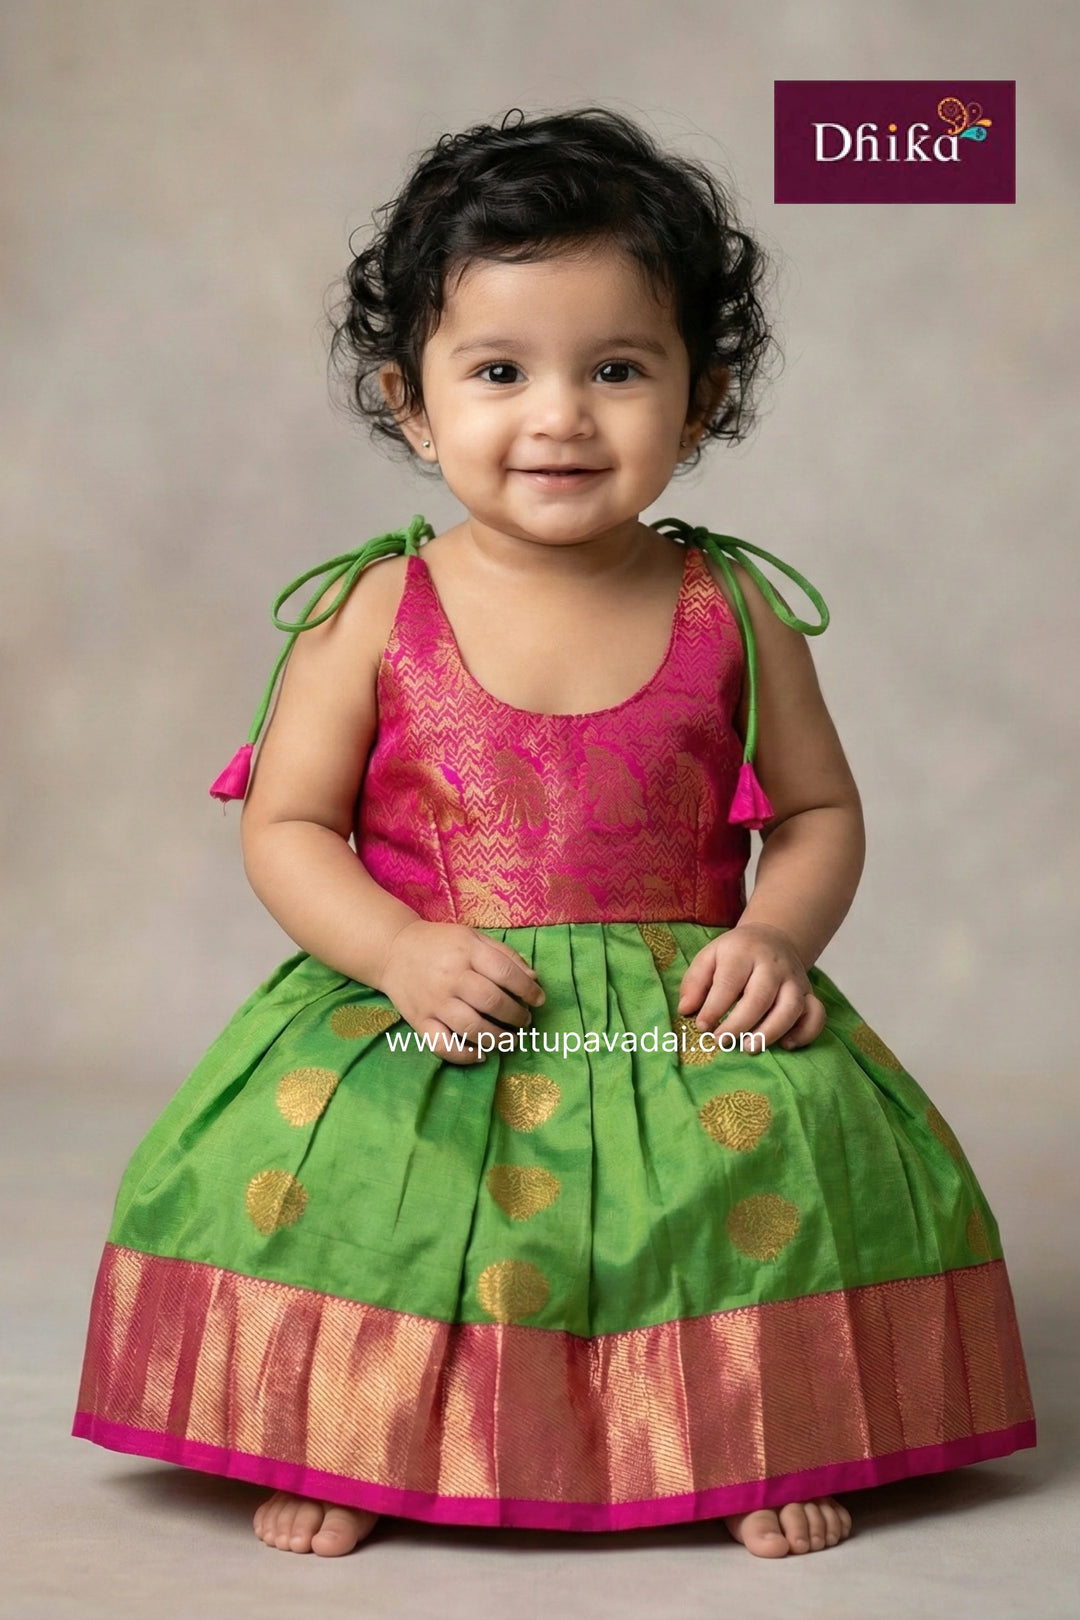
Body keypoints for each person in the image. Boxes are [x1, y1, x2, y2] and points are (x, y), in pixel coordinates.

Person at [71, 105, 1036, 1561]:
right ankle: (354, 1430)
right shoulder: (373, 611)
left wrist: (776, 935)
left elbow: (825, 811)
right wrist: (394, 948)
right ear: (411, 401)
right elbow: (286, 825)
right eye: (502, 371)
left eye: (619, 370)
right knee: (374, 1190)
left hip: (679, 1025)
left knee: (775, 1172)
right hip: (440, 1005)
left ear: (700, 401)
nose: (561, 415)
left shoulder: (738, 609)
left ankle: (762, 1424)